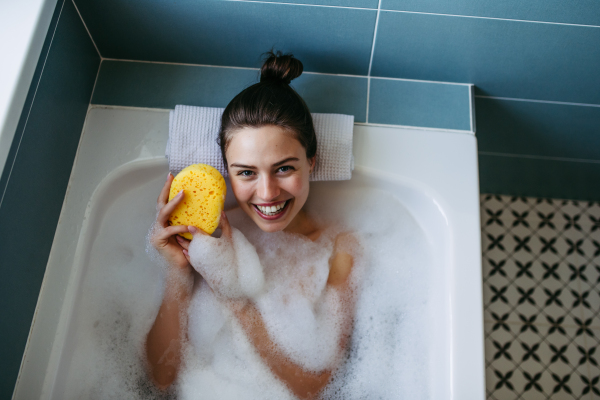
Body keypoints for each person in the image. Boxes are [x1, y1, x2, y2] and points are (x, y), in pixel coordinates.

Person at [145, 51, 358, 400]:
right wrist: (178, 272)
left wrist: (237, 301)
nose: (268, 193)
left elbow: (316, 387)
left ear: (311, 162)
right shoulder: (207, 236)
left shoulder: (338, 247)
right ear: (227, 171)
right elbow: (161, 378)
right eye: (246, 172)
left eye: (284, 168)